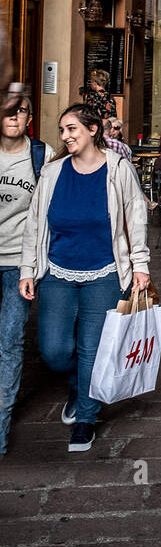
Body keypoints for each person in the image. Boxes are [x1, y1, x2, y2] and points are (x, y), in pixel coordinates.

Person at [19, 103, 150, 453]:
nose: (65, 136)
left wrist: (140, 265)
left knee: (92, 349)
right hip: (58, 272)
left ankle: (86, 419)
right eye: (62, 130)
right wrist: (28, 270)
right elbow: (35, 225)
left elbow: (136, 217)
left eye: (72, 129)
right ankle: (79, 385)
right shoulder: (52, 172)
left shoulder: (118, 169)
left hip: (105, 273)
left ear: (93, 129)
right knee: (54, 350)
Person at [0, 96, 54, 454]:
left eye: (20, 110)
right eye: (6, 109)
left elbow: (52, 210)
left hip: (18, 265)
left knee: (9, 342)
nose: (12, 116)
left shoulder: (43, 155)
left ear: (30, 118)